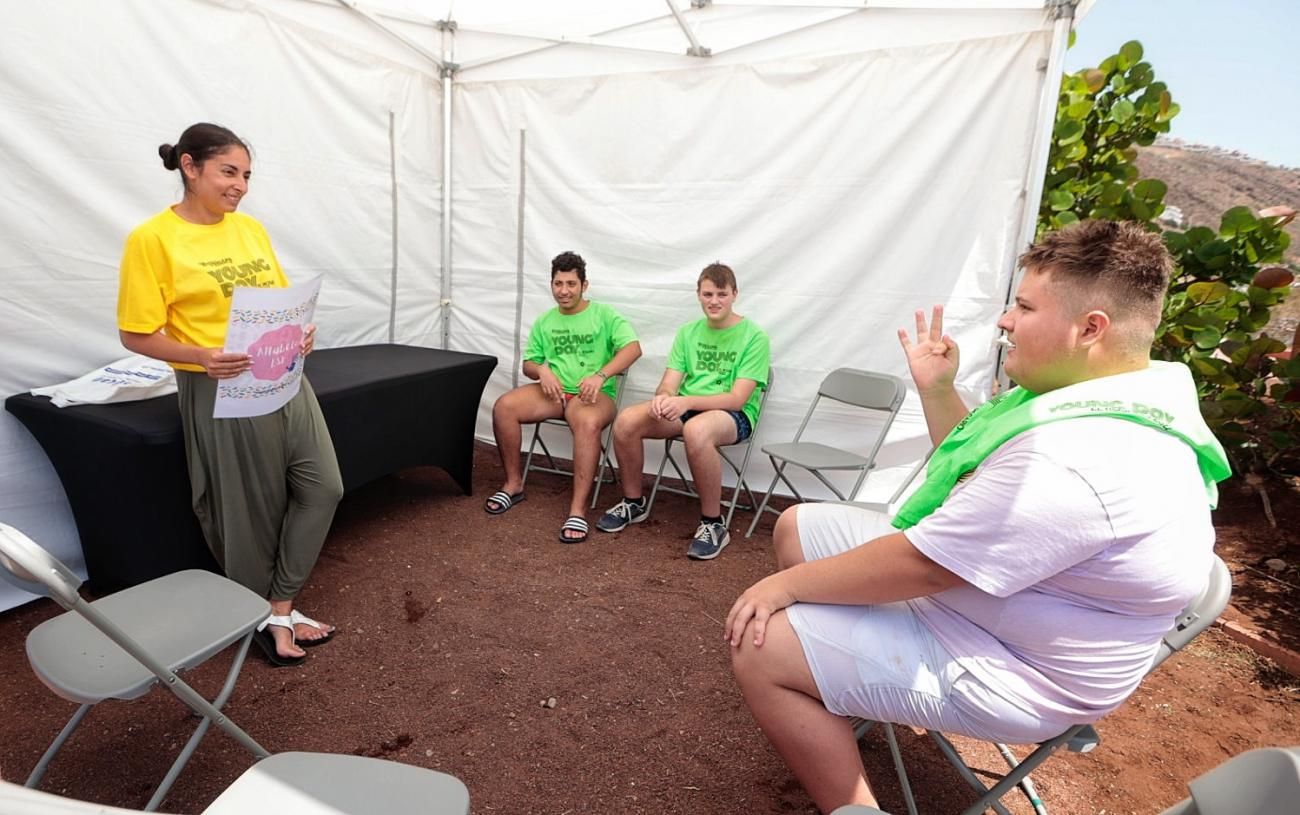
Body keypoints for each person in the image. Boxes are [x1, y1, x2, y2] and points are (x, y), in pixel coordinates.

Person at [724, 220, 1231, 813]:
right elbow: (974, 481)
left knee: (760, 643)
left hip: (1022, 671)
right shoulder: (1111, 395)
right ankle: (840, 687)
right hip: (999, 606)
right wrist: (938, 389)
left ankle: (854, 806)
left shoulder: (1080, 458)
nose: (1005, 321)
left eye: (1024, 306)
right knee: (797, 526)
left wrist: (780, 587)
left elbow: (925, 566)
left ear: (1090, 328)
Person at [117, 123, 343, 668]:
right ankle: (268, 617)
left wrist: (299, 329)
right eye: (228, 172)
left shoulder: (249, 230)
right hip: (220, 385)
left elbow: (272, 301)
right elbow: (134, 332)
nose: (240, 185)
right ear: (189, 167)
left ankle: (279, 601)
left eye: (246, 175)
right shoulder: (152, 239)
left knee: (324, 488)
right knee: (251, 512)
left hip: (284, 374)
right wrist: (200, 356)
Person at [596, 262, 771, 560]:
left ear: (734, 295)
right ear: (698, 295)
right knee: (627, 421)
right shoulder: (688, 333)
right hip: (687, 407)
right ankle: (633, 502)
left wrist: (686, 402)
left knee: (696, 429)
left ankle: (714, 524)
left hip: (732, 416)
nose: (714, 301)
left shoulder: (754, 336)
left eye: (721, 294)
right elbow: (669, 384)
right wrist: (664, 398)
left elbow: (737, 398)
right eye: (707, 294)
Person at [485, 251, 641, 543]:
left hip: (591, 396)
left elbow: (633, 349)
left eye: (571, 283)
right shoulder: (546, 321)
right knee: (504, 407)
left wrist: (601, 375)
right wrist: (542, 371)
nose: (564, 290)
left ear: (584, 285)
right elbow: (529, 364)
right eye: (558, 284)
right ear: (552, 284)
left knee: (586, 424)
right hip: (554, 394)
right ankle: (513, 484)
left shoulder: (604, 315)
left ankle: (577, 511)